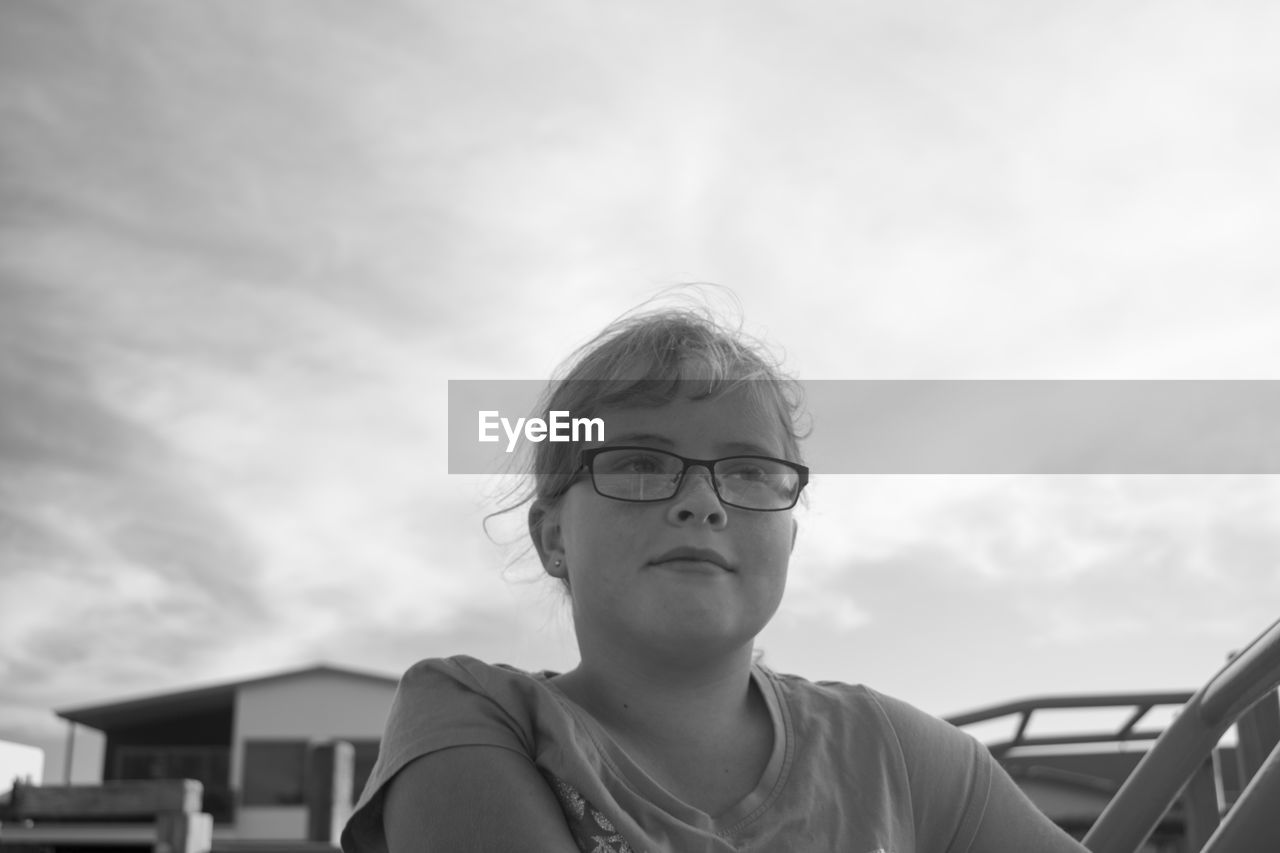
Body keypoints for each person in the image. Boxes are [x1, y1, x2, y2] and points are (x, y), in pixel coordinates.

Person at [341, 302, 1088, 852]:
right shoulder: (471, 714)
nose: (701, 501)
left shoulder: (897, 752)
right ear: (551, 536)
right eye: (639, 463)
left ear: (788, 536)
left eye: (749, 471)